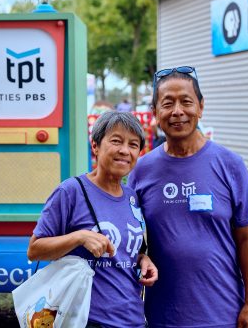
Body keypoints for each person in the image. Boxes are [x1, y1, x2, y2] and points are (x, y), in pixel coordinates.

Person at [128, 66, 248, 327]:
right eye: (167, 103)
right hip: (162, 316)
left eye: (186, 102)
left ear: (200, 107)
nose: (177, 111)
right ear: (155, 113)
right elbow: (129, 234)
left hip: (223, 313)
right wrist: (141, 257)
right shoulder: (142, 170)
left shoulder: (230, 164)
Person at [27, 111, 158, 328]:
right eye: (116, 141)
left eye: (133, 145)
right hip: (87, 320)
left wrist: (143, 260)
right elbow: (35, 249)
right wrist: (79, 237)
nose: (124, 150)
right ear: (95, 146)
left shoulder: (132, 197)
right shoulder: (71, 191)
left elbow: (125, 252)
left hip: (132, 318)